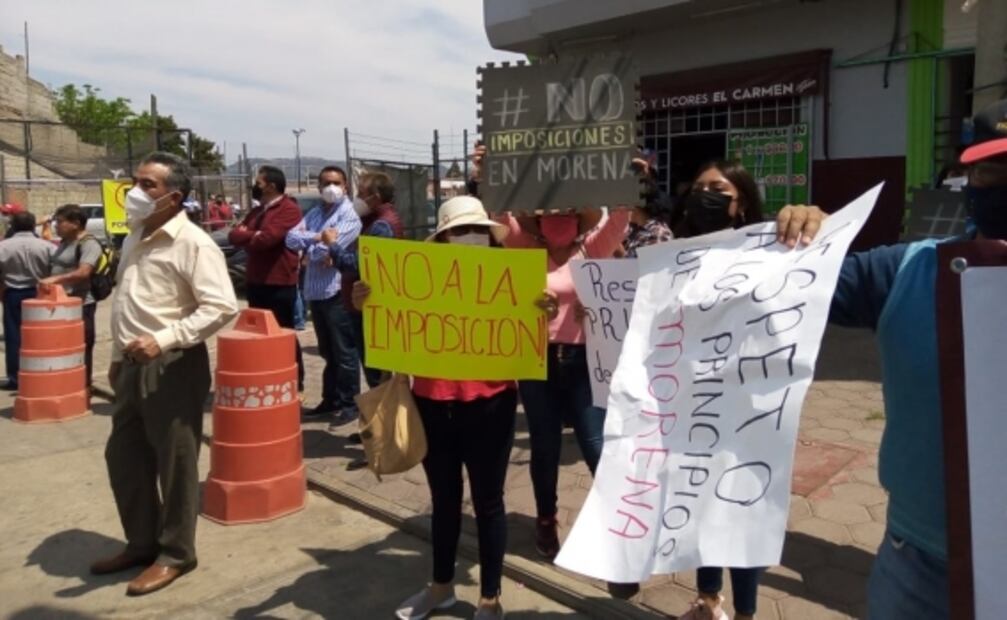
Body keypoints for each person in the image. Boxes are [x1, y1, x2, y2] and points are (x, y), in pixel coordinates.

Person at [769, 97, 1007, 620]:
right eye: (994, 169)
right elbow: (773, 288)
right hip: (918, 566)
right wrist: (804, 243)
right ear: (966, 179)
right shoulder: (910, 270)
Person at [352, 196, 557, 620]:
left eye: (478, 229)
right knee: (444, 499)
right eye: (461, 230)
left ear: (489, 233)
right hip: (431, 402)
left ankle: (490, 598)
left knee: (489, 502)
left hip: (491, 404)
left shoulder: (513, 277)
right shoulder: (416, 276)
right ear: (443, 237)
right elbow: (387, 323)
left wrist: (545, 311)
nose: (471, 237)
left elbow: (536, 329)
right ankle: (441, 587)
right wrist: (365, 301)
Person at [90, 152, 238, 596]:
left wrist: (166, 338)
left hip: (172, 364)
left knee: (175, 465)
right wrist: (118, 356)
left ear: (174, 197)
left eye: (148, 185)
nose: (135, 192)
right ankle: (141, 543)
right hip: (132, 365)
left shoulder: (193, 243)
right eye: (136, 181)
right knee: (125, 458)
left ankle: (176, 553)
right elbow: (127, 300)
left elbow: (222, 306)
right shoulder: (136, 234)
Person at [670, 160, 766, 620]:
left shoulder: (770, 252)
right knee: (702, 504)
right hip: (695, 401)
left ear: (740, 201)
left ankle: (745, 612)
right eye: (699, 187)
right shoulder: (679, 254)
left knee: (742, 509)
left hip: (749, 405)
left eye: (718, 188)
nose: (705, 194)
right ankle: (709, 599)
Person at [285, 165, 362, 424]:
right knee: (327, 352)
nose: (331, 187)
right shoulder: (317, 212)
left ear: (345, 186)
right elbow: (290, 239)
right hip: (315, 293)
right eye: (326, 182)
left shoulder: (349, 215)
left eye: (336, 182)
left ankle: (350, 403)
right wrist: (319, 238)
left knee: (344, 351)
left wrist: (314, 250)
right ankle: (331, 399)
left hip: (337, 291)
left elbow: (325, 253)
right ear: (319, 186)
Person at [229, 166, 305, 393]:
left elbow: (267, 240)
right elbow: (234, 235)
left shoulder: (288, 209)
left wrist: (249, 235)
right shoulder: (258, 211)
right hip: (256, 280)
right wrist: (251, 235)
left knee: (282, 333)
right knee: (259, 334)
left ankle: (293, 380)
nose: (255, 187)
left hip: (279, 282)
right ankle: (267, 376)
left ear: (271, 186)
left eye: (258, 183)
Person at [328, 171, 403, 394]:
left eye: (362, 193)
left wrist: (333, 245)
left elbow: (359, 265)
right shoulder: (374, 221)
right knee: (376, 372)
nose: (357, 199)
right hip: (364, 304)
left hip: (369, 307)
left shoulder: (381, 225)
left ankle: (382, 425)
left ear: (376, 196)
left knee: (376, 373)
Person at [37, 204, 104, 388]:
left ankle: (83, 387)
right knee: (63, 348)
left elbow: (84, 272)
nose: (56, 226)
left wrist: (55, 279)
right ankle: (67, 384)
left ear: (75, 223)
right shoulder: (65, 242)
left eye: (59, 222)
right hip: (61, 304)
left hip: (81, 305)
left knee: (82, 347)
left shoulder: (88, 243)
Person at [0, 211, 53, 390]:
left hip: (13, 294)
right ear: (33, 225)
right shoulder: (47, 246)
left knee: (14, 336)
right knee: (42, 335)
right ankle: (42, 372)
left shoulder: (3, 247)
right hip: (40, 293)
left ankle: (16, 378)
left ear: (13, 226)